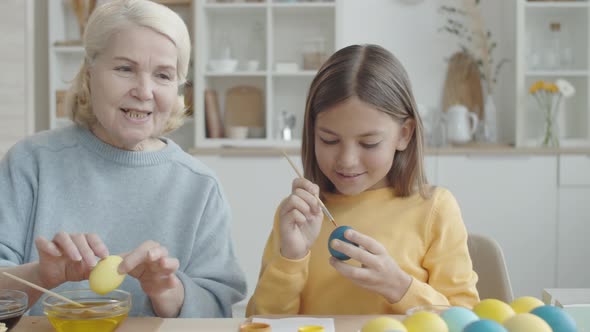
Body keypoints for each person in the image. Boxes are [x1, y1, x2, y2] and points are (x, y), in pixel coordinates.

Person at [0, 0, 246, 318]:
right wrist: (40, 276)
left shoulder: (200, 187)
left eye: (163, 75)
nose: (144, 91)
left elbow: (218, 312)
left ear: (178, 90)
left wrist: (168, 290)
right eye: (124, 69)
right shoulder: (30, 163)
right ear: (89, 75)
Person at [246, 44, 479, 315]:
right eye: (329, 139)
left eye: (369, 143)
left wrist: (400, 287)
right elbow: (261, 322)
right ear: (312, 132)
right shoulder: (297, 216)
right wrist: (291, 258)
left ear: (404, 134)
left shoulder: (435, 209)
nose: (347, 160)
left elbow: (465, 320)